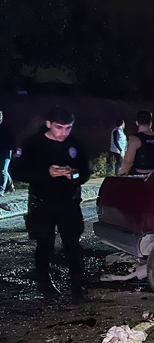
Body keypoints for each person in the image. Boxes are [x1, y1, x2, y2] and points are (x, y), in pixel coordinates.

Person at [10, 107, 91, 303]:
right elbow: (17, 172)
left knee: (72, 245)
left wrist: (75, 174)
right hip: (43, 204)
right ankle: (45, 284)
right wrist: (47, 172)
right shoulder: (33, 144)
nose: (63, 132)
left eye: (68, 128)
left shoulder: (75, 145)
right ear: (49, 124)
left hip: (68, 204)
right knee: (45, 244)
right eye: (59, 127)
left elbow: (85, 172)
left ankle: (77, 286)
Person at [118, 110, 154, 175]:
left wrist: (121, 173)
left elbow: (128, 160)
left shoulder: (134, 140)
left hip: (140, 178)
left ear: (137, 123)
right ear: (150, 123)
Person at [0, 109, 15, 196]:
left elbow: (11, 141)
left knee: (3, 170)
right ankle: (10, 186)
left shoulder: (6, 128)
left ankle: (1, 189)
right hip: (2, 151)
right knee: (3, 170)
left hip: (6, 153)